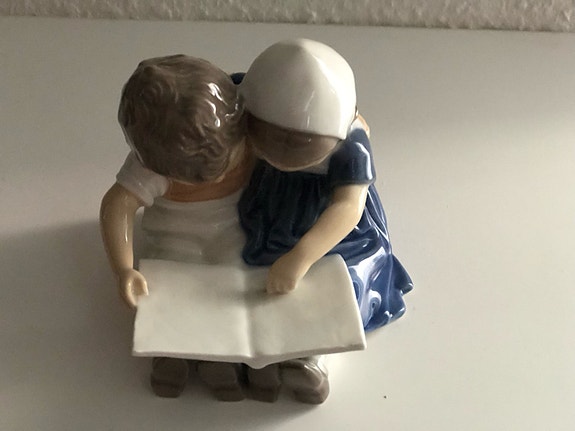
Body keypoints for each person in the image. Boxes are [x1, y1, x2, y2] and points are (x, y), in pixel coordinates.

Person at [237, 39, 414, 403]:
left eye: (301, 144)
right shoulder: (247, 95)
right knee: (250, 273)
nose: (285, 154)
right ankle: (258, 350)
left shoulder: (352, 144)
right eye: (273, 140)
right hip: (273, 207)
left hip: (332, 221)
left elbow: (348, 207)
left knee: (341, 282)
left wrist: (301, 257)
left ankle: (312, 358)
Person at [100, 54, 252, 400]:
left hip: (237, 229)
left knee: (234, 285)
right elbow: (117, 205)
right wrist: (123, 268)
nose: (213, 179)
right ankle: (171, 353)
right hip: (174, 235)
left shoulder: (248, 133)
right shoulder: (153, 165)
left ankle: (222, 356)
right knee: (169, 288)